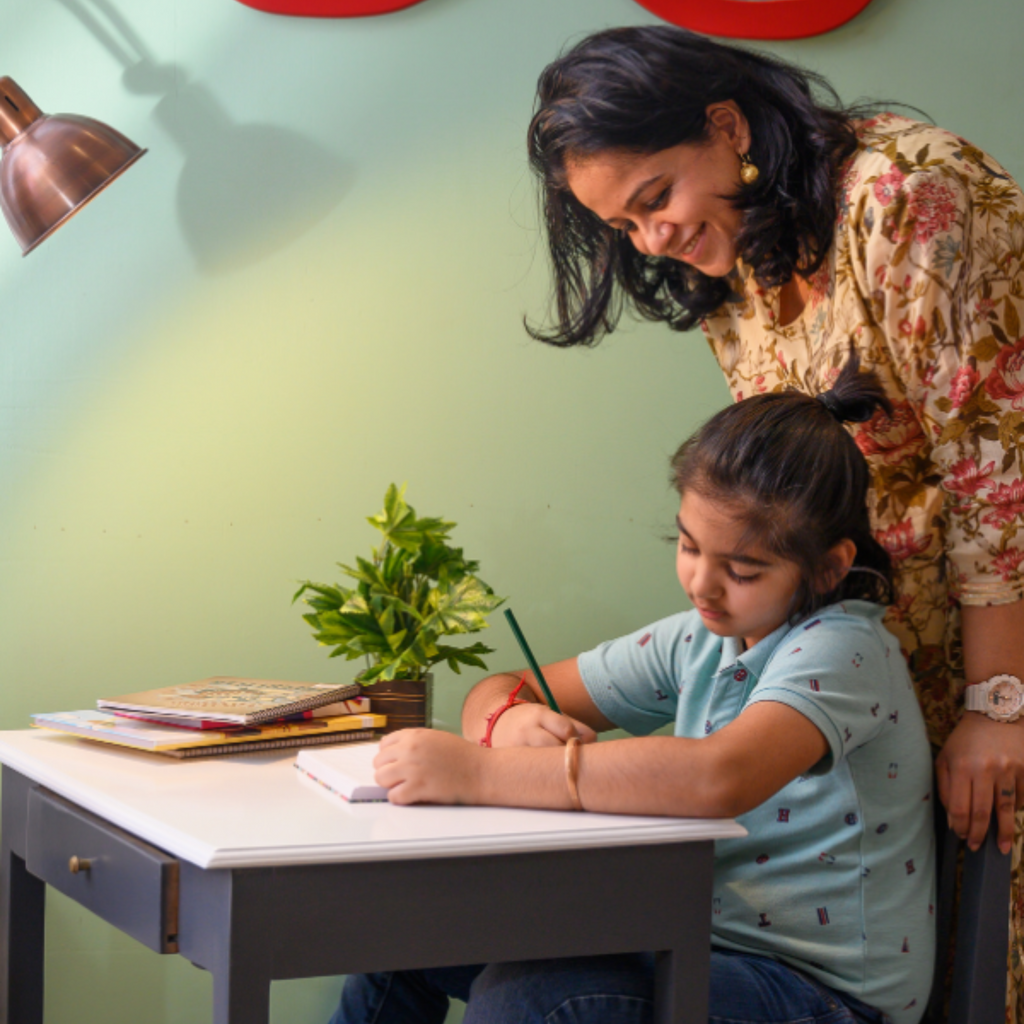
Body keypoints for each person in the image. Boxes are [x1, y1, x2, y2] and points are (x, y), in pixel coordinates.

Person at [524, 24, 1024, 1021]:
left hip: (992, 658)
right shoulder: (742, 261)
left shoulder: (907, 195)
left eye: (655, 198)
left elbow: (997, 469)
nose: (651, 239)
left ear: (724, 123)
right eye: (622, 226)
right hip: (872, 668)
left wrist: (997, 702)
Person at [332, 355, 936, 1024]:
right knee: (406, 931)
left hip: (821, 993)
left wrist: (480, 771)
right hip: (686, 942)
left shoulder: (846, 647)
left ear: (827, 569)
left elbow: (717, 779)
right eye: (687, 547)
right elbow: (508, 686)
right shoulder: (700, 637)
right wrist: (506, 722)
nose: (701, 584)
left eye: (741, 569)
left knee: (529, 1002)